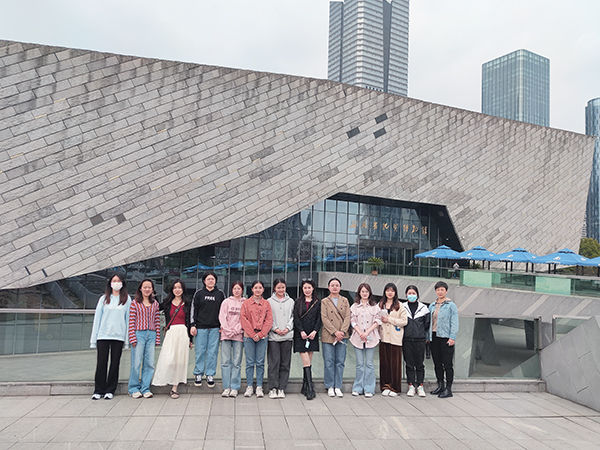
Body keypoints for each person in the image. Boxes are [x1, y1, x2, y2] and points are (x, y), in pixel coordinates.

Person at [90, 273, 131, 400]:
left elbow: (128, 320)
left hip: (118, 336)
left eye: (119, 281)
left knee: (115, 363)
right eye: (114, 280)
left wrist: (127, 340)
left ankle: (110, 389)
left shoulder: (127, 299)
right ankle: (98, 390)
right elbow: (97, 318)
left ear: (123, 283)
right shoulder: (103, 299)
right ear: (110, 283)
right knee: (101, 363)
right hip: (103, 335)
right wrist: (93, 339)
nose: (116, 283)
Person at [152, 279, 193, 399]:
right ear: (172, 289)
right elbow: (155, 307)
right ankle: (164, 379)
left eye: (179, 287)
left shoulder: (187, 303)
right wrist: (152, 295)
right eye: (175, 287)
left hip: (183, 332)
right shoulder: (167, 302)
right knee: (168, 359)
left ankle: (174, 388)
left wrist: (190, 339)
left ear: (183, 289)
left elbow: (190, 321)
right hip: (171, 333)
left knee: (179, 361)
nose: (177, 290)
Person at [190, 271, 225, 388]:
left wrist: (223, 325)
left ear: (215, 281)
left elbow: (224, 311)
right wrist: (192, 324)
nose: (210, 281)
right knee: (200, 351)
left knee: (212, 352)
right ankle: (198, 374)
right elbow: (193, 309)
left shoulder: (220, 294)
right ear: (204, 281)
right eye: (208, 279)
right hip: (201, 327)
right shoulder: (199, 293)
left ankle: (210, 374)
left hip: (215, 328)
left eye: (212, 279)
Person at [128, 278, 161, 398]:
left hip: (151, 334)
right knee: (136, 363)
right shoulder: (135, 303)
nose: (147, 289)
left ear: (152, 289)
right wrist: (132, 337)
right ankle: (133, 388)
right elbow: (131, 321)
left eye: (149, 287)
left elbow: (157, 321)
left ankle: (145, 388)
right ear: (140, 289)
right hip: (139, 334)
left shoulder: (155, 303)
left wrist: (157, 337)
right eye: (145, 287)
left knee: (149, 363)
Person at [240, 280, 273, 398]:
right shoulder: (246, 303)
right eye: (256, 287)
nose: (258, 290)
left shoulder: (266, 304)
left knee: (260, 363)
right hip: (248, 336)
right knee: (249, 363)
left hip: (262, 337)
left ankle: (259, 386)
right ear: (252, 289)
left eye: (260, 287)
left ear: (263, 289)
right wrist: (252, 333)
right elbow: (243, 319)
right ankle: (249, 386)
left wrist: (260, 334)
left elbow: (269, 320)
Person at [427, 281, 459, 398]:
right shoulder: (432, 305)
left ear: (446, 291)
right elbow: (429, 322)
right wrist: (427, 337)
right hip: (434, 337)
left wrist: (452, 337)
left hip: (446, 337)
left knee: (448, 364)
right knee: (437, 363)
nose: (440, 292)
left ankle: (448, 388)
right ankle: (440, 385)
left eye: (442, 290)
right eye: (438, 290)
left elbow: (454, 322)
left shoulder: (451, 305)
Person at [350, 283, 381, 398]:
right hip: (357, 337)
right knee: (359, 364)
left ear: (370, 293)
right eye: (362, 291)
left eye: (366, 291)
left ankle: (369, 388)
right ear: (359, 293)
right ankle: (357, 388)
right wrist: (360, 333)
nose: (364, 293)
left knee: (369, 364)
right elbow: (352, 321)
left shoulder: (375, 306)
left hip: (371, 337)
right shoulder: (354, 306)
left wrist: (367, 332)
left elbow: (377, 321)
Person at [321, 277, 351, 398]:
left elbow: (348, 317)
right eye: (332, 285)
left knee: (340, 361)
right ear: (328, 287)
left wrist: (342, 332)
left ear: (340, 287)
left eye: (337, 285)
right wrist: (335, 332)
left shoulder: (345, 300)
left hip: (342, 336)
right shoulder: (324, 301)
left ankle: (338, 386)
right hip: (328, 335)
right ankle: (329, 385)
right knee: (328, 361)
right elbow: (324, 318)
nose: (334, 287)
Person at [293, 278, 321, 400]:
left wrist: (315, 331)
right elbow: (296, 318)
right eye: (305, 288)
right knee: (306, 361)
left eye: (309, 287)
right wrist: (301, 331)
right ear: (302, 289)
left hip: (312, 336)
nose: (307, 290)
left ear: (313, 288)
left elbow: (319, 318)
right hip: (301, 336)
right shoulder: (298, 301)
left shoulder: (317, 302)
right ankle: (310, 388)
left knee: (309, 361)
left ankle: (304, 386)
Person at [378, 283, 408, 397]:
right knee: (384, 363)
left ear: (395, 293)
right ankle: (385, 386)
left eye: (392, 291)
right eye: (388, 290)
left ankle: (395, 388)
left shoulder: (400, 305)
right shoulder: (380, 304)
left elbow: (404, 321)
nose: (390, 293)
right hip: (383, 337)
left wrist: (389, 319)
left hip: (395, 338)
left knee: (395, 364)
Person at [267, 278, 294, 399]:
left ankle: (282, 388)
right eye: (278, 287)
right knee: (273, 363)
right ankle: (273, 388)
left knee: (285, 363)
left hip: (287, 336)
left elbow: (293, 317)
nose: (281, 289)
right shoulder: (269, 301)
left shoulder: (291, 301)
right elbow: (268, 318)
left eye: (283, 287)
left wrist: (287, 328)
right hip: (273, 337)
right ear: (274, 288)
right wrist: (276, 329)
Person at [219, 281, 246, 398]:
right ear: (232, 290)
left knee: (236, 362)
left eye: (239, 289)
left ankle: (234, 387)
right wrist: (228, 330)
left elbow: (244, 318)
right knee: (225, 362)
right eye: (235, 288)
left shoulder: (245, 303)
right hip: (226, 335)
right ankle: (226, 387)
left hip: (238, 335)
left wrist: (235, 330)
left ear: (242, 290)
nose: (237, 291)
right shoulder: (226, 302)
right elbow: (222, 317)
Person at [402, 285, 430, 398]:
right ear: (406, 295)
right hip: (406, 339)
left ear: (417, 295)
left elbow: (427, 324)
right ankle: (411, 385)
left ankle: (420, 385)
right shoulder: (402, 307)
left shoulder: (424, 308)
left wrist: (420, 333)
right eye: (409, 293)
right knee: (409, 364)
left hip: (419, 340)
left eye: (413, 293)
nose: (411, 295)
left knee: (419, 364)